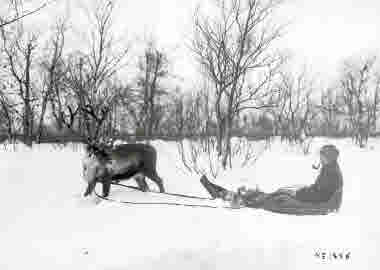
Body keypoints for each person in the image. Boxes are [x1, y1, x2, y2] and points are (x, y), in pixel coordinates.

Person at [200, 144, 343, 209]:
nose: (321, 159)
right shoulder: (330, 169)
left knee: (274, 199)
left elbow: (320, 195)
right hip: (311, 196)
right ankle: (240, 195)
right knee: (276, 194)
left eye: (323, 156)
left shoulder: (331, 172)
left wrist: (301, 193)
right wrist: (303, 191)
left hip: (313, 200)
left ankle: (238, 198)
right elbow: (319, 190)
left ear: (329, 157)